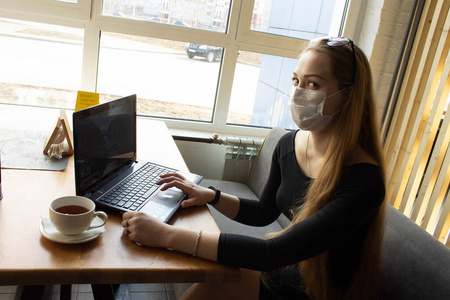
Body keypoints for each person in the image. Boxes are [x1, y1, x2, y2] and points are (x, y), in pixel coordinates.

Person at [121, 36, 387, 300]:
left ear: (348, 95)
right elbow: (263, 212)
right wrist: (211, 196)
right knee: (217, 276)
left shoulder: (364, 179)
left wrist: (166, 235)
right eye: (296, 80)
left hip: (318, 292)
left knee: (219, 279)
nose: (298, 92)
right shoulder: (289, 144)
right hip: (290, 273)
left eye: (313, 84)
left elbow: (271, 253)